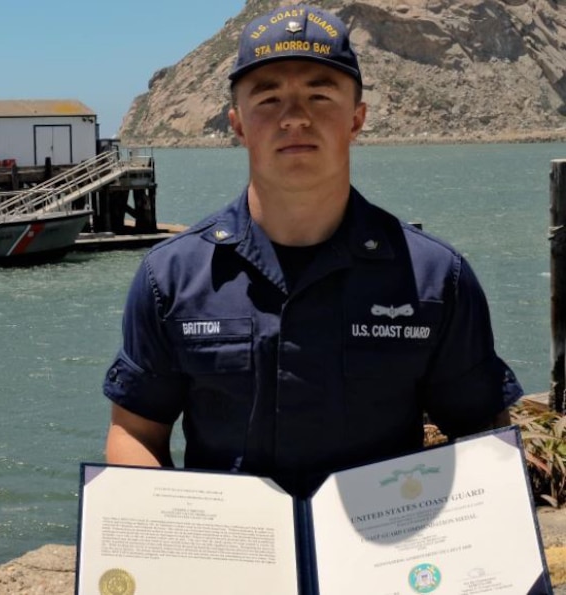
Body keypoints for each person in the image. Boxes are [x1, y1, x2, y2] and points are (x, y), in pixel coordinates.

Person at [102, 4, 523, 496]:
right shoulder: (171, 277)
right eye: (269, 98)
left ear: (356, 118)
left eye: (320, 96)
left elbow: (480, 433)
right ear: (237, 125)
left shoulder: (435, 277)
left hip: (382, 559)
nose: (295, 118)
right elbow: (135, 431)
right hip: (236, 560)